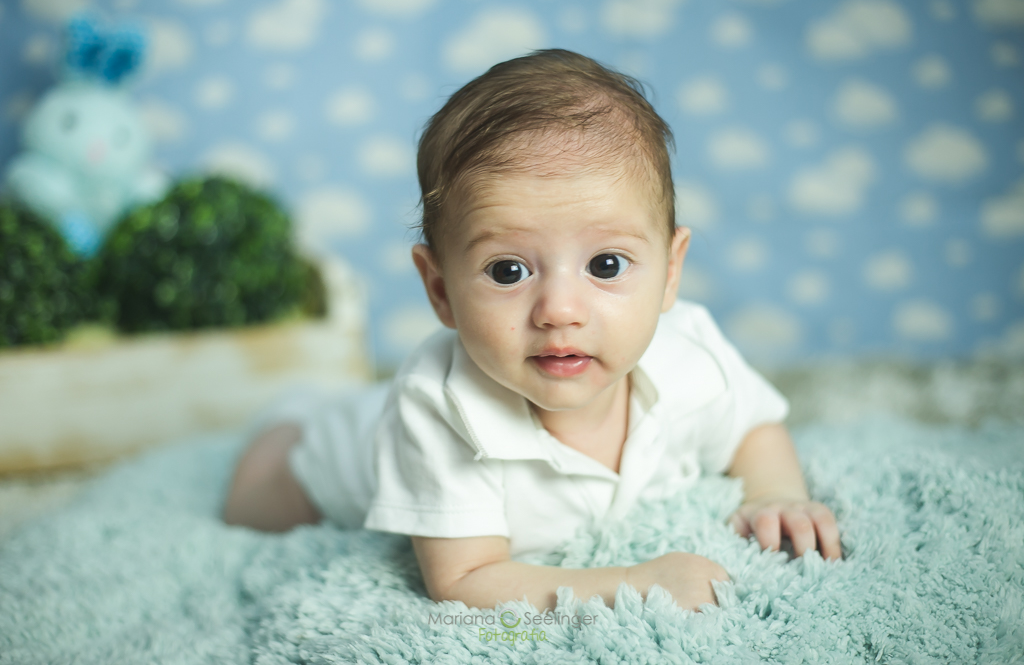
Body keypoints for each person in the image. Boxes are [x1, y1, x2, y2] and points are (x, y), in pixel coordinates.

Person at [223, 49, 842, 613]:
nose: (559, 310)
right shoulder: (438, 409)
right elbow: (465, 580)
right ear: (440, 289)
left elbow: (753, 426)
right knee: (251, 501)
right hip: (337, 454)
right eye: (509, 270)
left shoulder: (691, 354)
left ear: (671, 271)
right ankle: (287, 422)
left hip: (369, 416)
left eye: (606, 265)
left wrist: (774, 493)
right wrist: (635, 583)